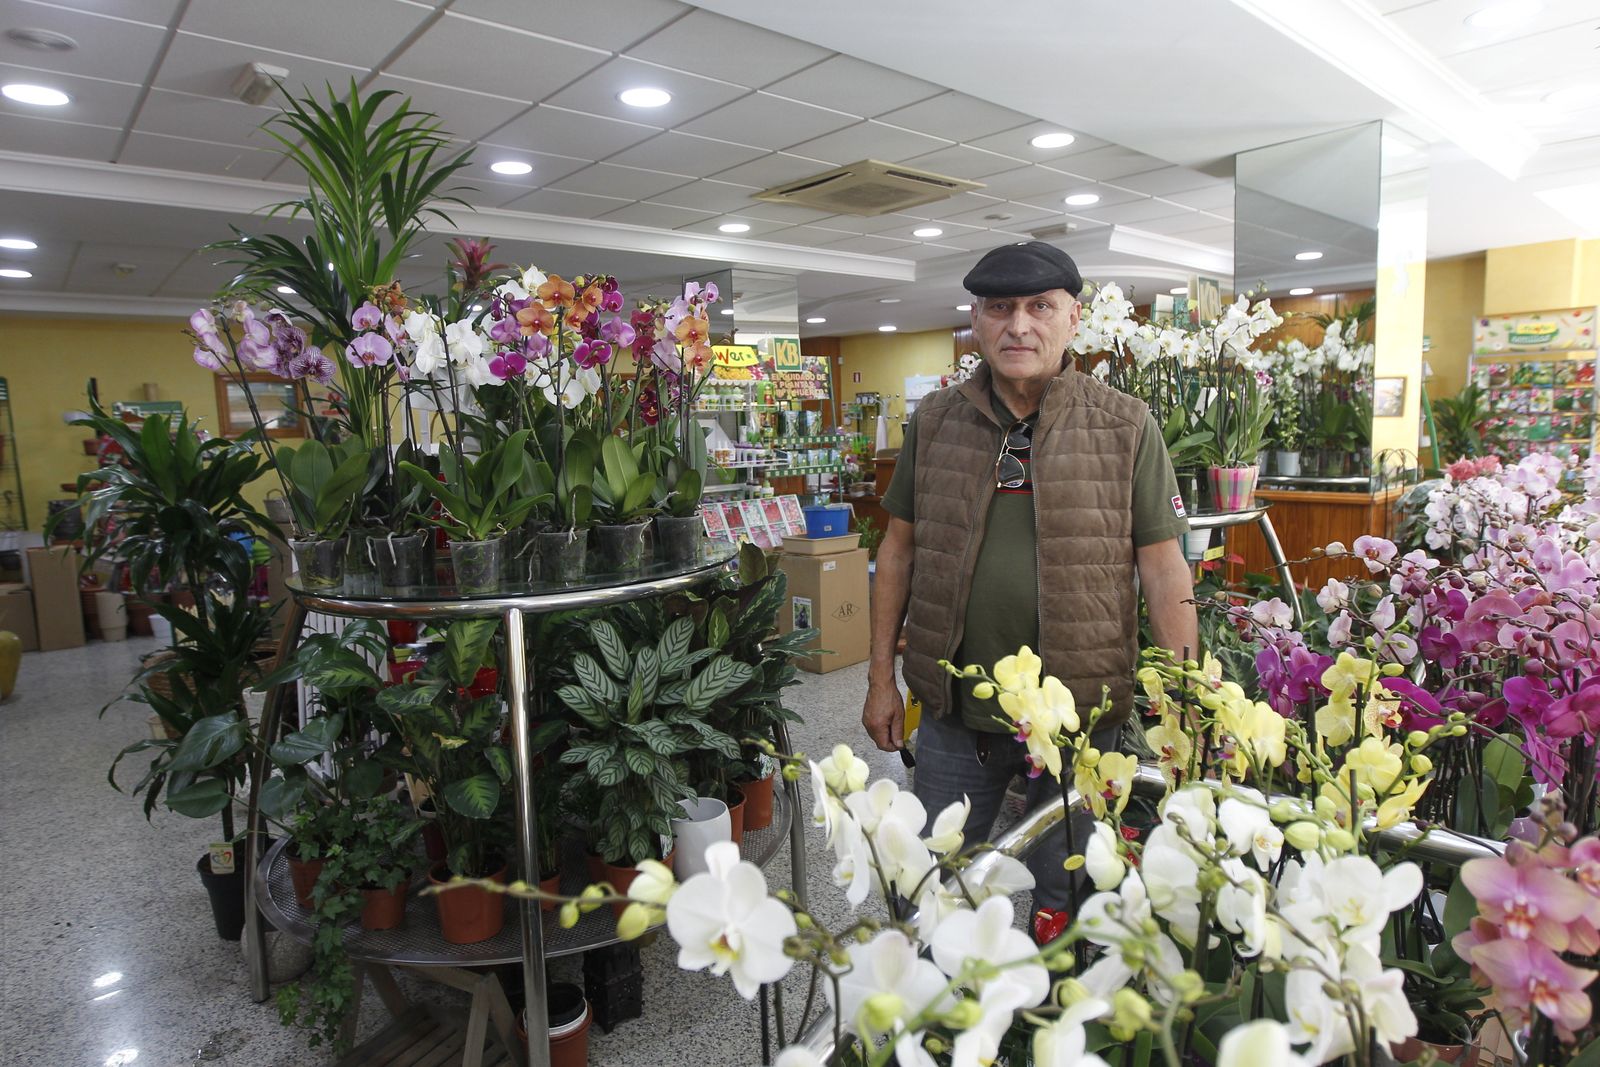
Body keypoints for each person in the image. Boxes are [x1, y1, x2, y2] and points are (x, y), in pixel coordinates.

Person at [862, 240, 1198, 935]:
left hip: (1082, 719)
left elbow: (1164, 567)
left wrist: (1188, 698)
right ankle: (935, 1031)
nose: (1019, 325)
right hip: (958, 718)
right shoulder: (936, 422)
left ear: (1073, 318)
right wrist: (877, 677)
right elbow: (897, 551)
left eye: (1039, 307)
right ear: (977, 322)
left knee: (1073, 898)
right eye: (999, 308)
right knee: (930, 886)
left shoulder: (1124, 426)